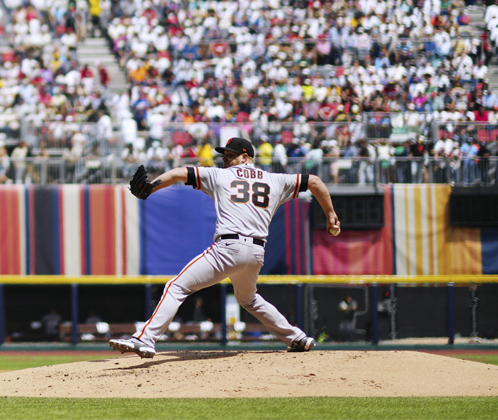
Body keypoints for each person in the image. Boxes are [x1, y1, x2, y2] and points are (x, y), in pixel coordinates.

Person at [108, 137, 341, 358]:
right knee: (249, 299)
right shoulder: (275, 179)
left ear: (245, 157)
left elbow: (180, 173)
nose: (225, 159)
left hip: (228, 248)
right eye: (224, 155)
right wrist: (331, 214)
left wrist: (151, 187)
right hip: (256, 253)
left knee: (176, 286)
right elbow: (314, 182)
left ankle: (146, 338)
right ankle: (297, 337)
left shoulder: (219, 176)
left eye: (230, 155)